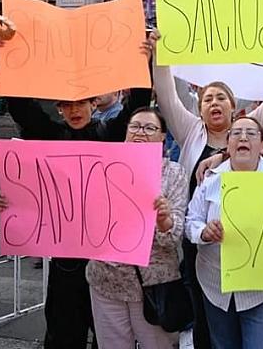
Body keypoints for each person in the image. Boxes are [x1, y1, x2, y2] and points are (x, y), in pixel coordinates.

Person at [0, 28, 154, 349]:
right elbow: (21, 107)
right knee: (63, 333)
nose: (75, 111)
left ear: (93, 103)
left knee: (109, 336)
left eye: (81, 103)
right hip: (66, 256)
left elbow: (137, 105)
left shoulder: (110, 134)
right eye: (67, 105)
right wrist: (5, 55)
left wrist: (144, 60)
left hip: (107, 256)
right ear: (59, 109)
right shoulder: (50, 134)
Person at [151, 32, 263, 349]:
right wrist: (159, 53)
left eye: (221, 98)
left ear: (235, 109)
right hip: (201, 244)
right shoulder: (190, 131)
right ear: (200, 109)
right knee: (207, 322)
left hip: (254, 254)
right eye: (207, 99)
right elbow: (166, 97)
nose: (214, 103)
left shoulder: (247, 129)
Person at [86, 107, 189, 349]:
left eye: (150, 128)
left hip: (153, 285)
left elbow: (173, 238)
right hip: (105, 281)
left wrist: (164, 220)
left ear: (162, 137)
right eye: (135, 126)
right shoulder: (101, 166)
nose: (140, 132)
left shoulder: (174, 174)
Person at [185, 117, 263, 349]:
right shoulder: (210, 179)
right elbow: (191, 222)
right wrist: (204, 232)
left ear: (262, 145)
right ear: (228, 144)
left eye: (251, 133)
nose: (243, 137)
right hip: (216, 287)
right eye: (236, 133)